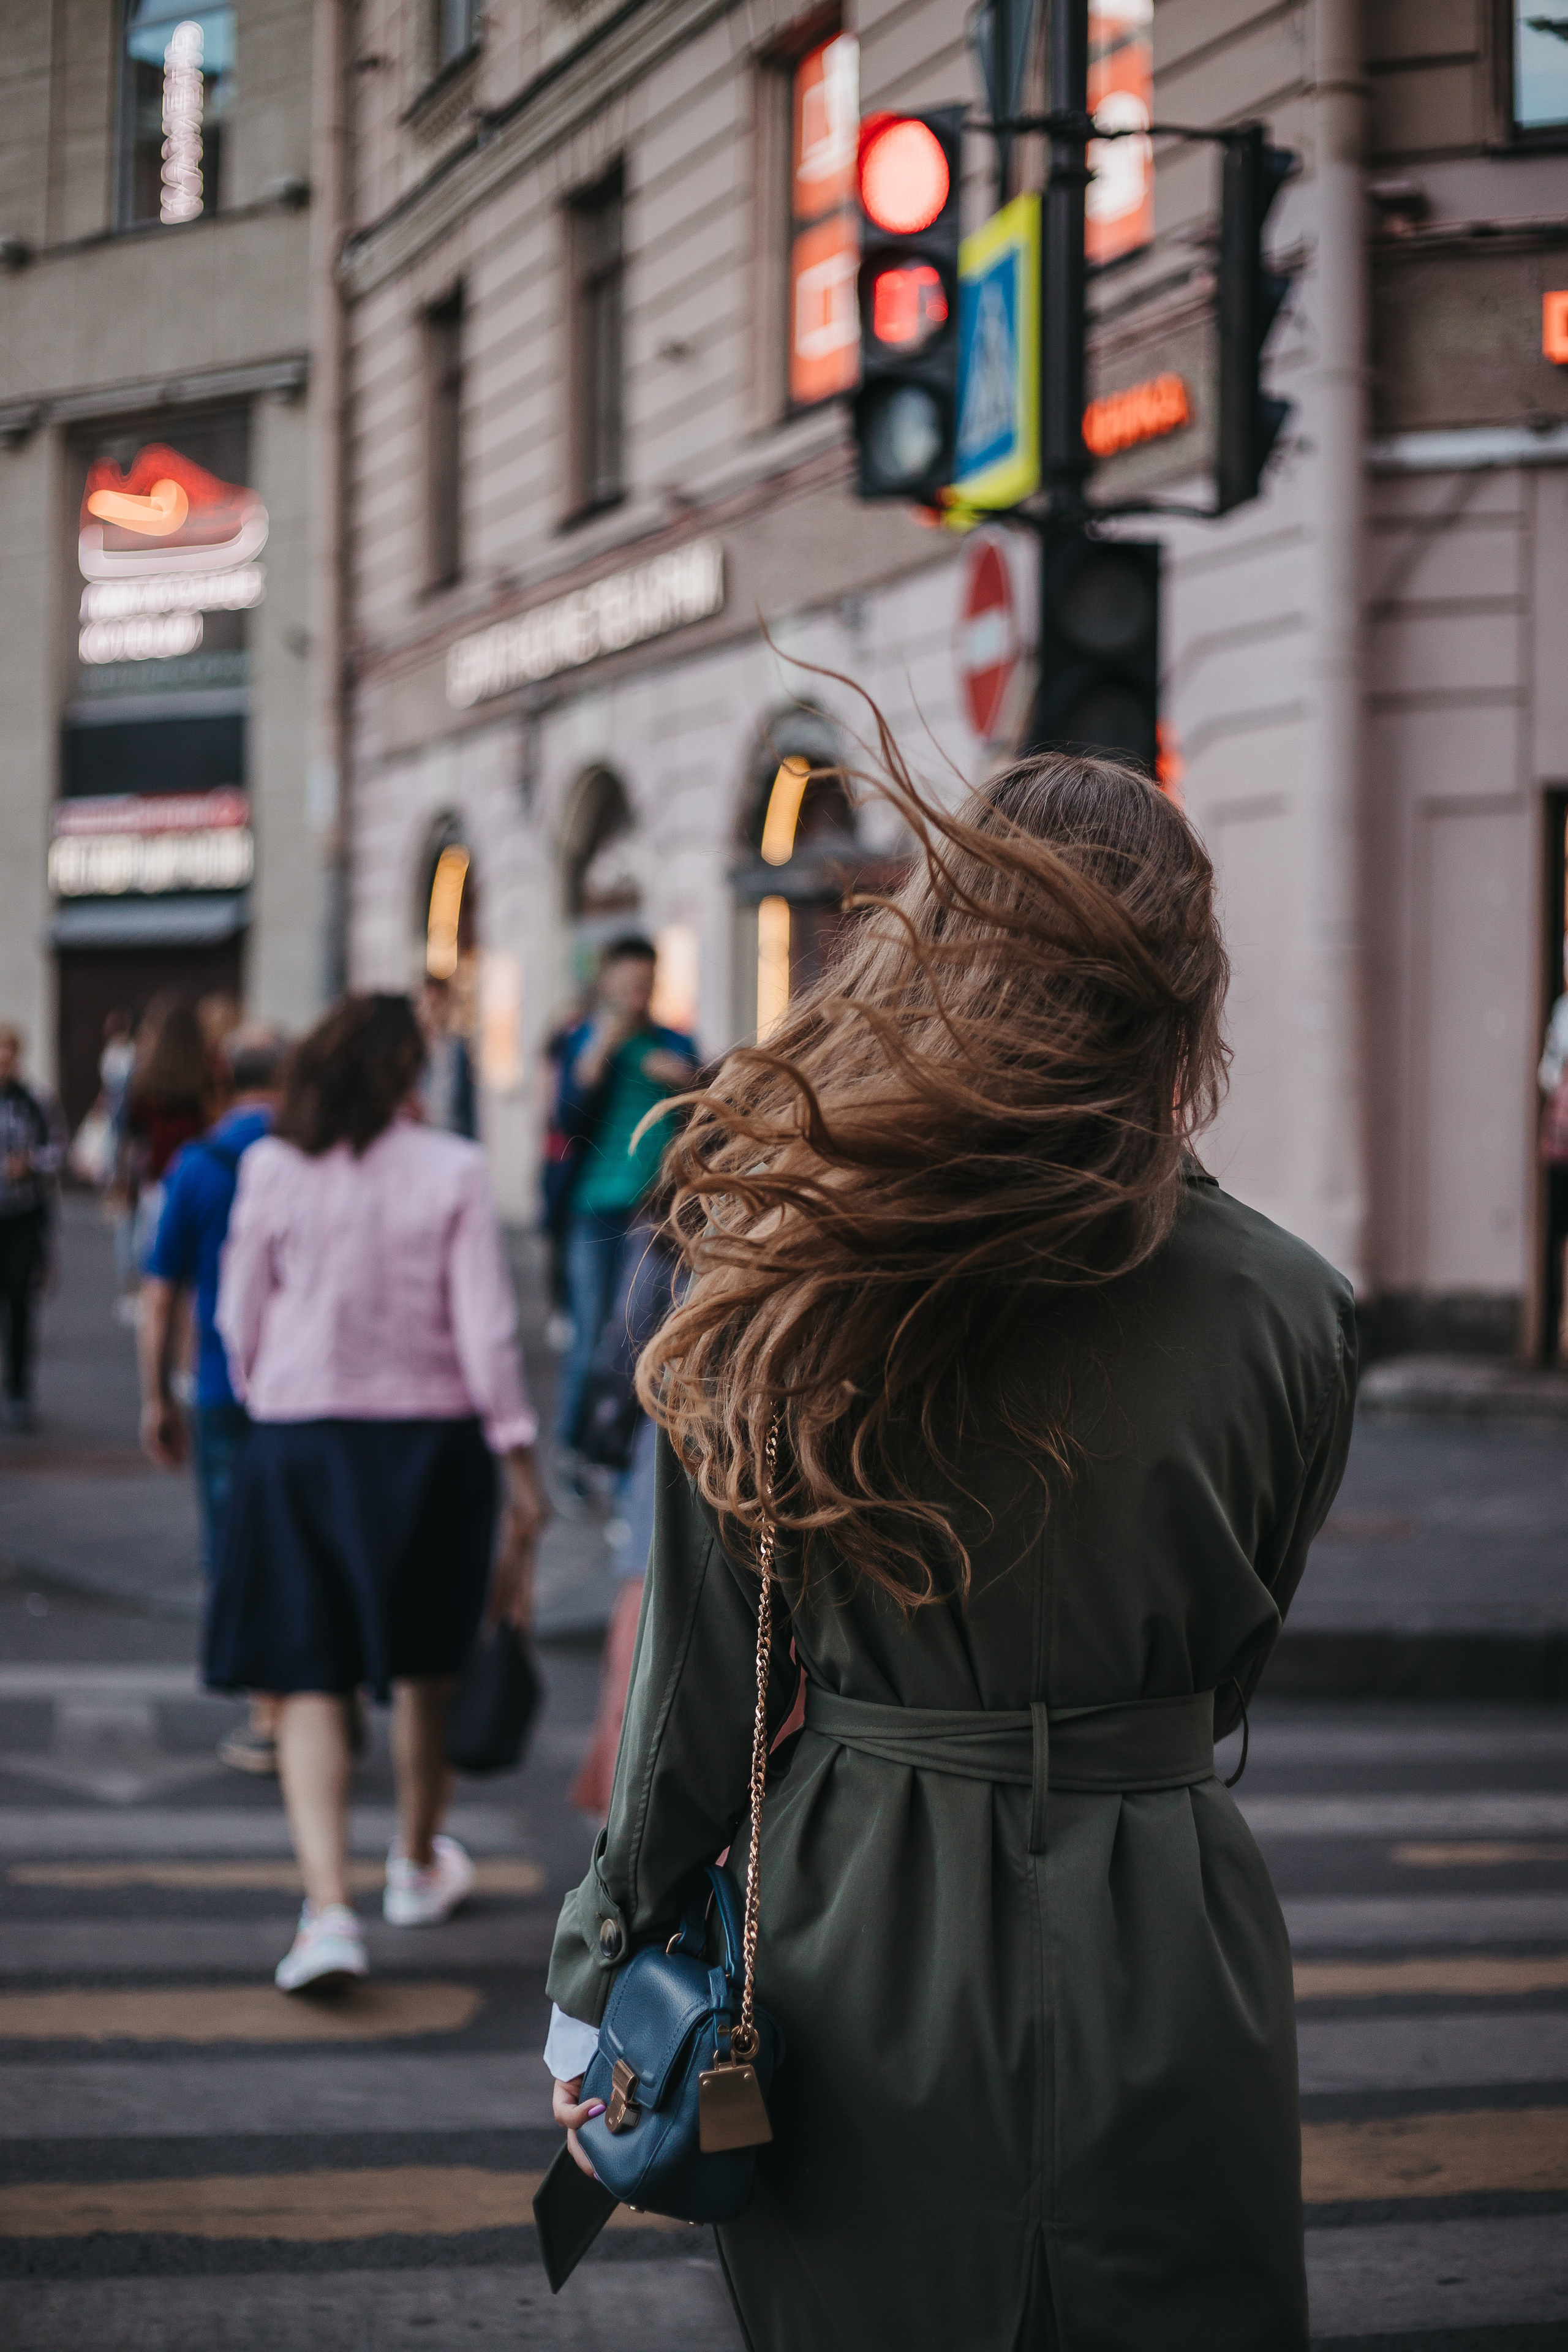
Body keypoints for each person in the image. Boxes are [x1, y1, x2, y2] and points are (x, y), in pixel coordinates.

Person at [545, 754, 1357, 2350]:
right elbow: (1235, 1649)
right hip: (1167, 1929)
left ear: (939, 952)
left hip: (863, 1931)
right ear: (1185, 991)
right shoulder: (1295, 1310)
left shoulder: (790, 1273)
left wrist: (603, 1963)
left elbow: (693, 1715)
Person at [206, 993, 546, 1994]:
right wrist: (519, 1462)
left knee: (309, 1673)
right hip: (430, 1444)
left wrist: (283, 1395)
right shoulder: (453, 1168)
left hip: (300, 1442)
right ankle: (413, 1864)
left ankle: (327, 1914)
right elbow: (485, 1331)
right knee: (425, 1666)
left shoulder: (272, 1166)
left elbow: (239, 1315)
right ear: (405, 1071)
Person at [139, 1025, 287, 1773]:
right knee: (302, 1541)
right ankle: (322, 1700)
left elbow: (160, 1296)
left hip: (224, 1385)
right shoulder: (313, 1156)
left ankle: (269, 1714)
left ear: (225, 1082)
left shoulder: (197, 1165)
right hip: (303, 1389)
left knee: (236, 1545)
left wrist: (157, 1396)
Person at [551, 937, 696, 1471]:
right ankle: (574, 1450)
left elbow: (708, 1109)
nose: (639, 994)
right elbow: (565, 1122)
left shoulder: (675, 1043)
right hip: (594, 1208)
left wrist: (684, 1079)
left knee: (640, 1336)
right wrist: (595, 1055)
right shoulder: (586, 1041)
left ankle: (621, 1454)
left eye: (647, 983)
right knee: (591, 1333)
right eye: (630, 983)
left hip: (657, 1213)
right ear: (609, 982)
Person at [0, 1026, 63, 1433]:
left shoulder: (35, 1101)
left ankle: (18, 1389)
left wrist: (32, 1165)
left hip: (22, 1217)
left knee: (20, 1302)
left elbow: (58, 1150)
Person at [124, 994, 211, 1281]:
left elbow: (134, 1138)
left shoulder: (145, 1081)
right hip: (199, 1178)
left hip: (158, 1179)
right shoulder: (206, 1078)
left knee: (160, 1272)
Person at [417, 975, 478, 1139]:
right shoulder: (412, 1050)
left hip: (451, 1136)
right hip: (422, 1138)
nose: (434, 1011)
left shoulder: (457, 1047)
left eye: (439, 1004)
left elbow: (466, 1102)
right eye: (430, 1004)